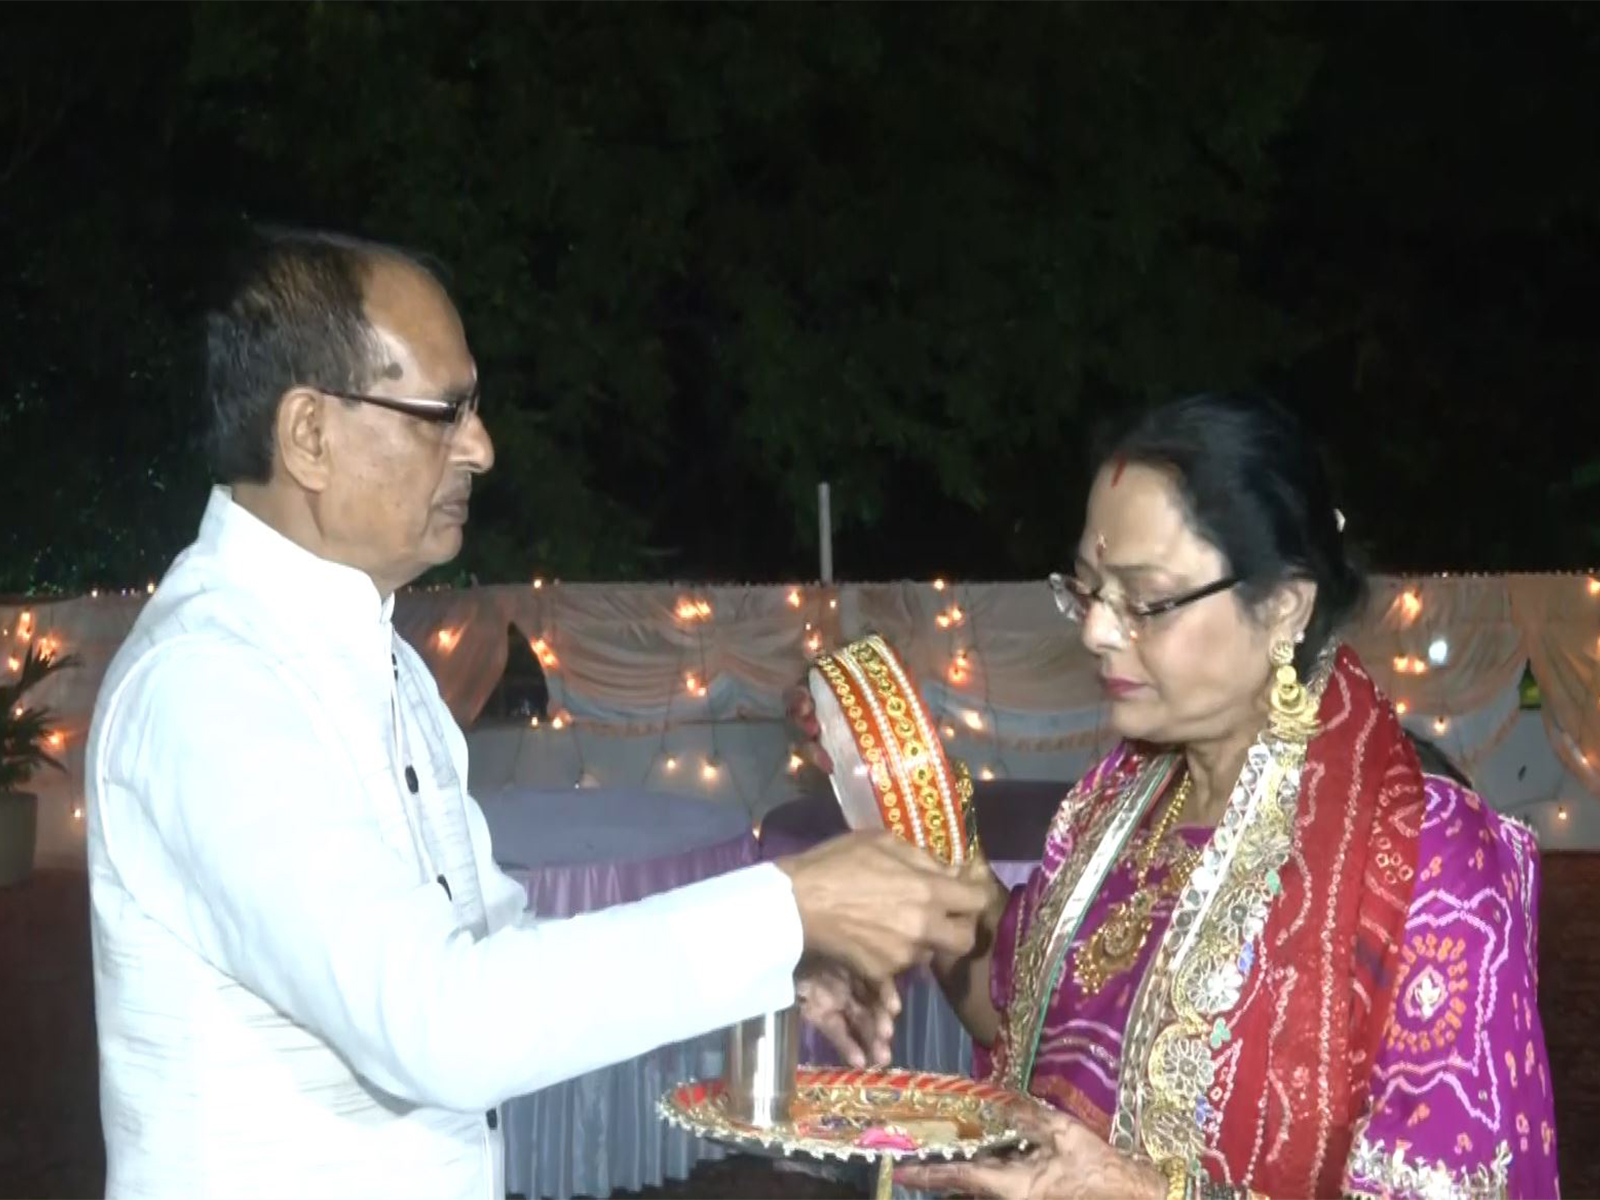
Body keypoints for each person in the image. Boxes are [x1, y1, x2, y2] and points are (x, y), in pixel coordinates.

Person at [84, 228, 987, 1200]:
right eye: (444, 411)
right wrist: (789, 905)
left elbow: (495, 958)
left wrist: (779, 960)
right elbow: (439, 1023)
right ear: (309, 435)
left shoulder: (382, 663)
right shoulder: (208, 686)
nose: (481, 445)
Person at [793, 394, 1557, 1200]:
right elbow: (1018, 1024)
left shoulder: (1431, 861)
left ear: (1284, 607)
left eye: (1145, 600)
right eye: (1085, 591)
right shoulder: (1113, 806)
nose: (1095, 631)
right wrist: (891, 813)